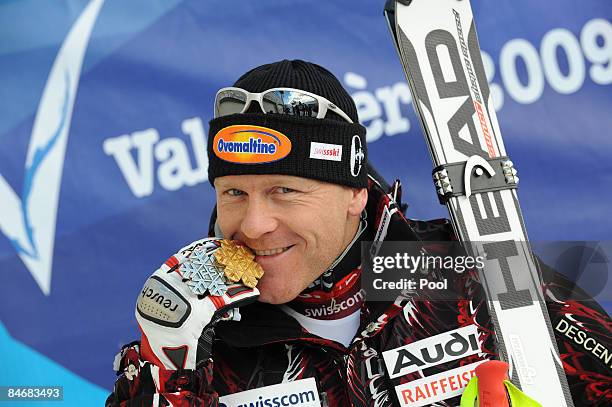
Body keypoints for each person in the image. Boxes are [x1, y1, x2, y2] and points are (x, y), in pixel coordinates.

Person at [107, 60, 611, 406]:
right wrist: (164, 369)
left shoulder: (469, 274)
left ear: (355, 194)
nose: (254, 226)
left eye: (284, 191)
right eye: (234, 194)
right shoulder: (198, 337)